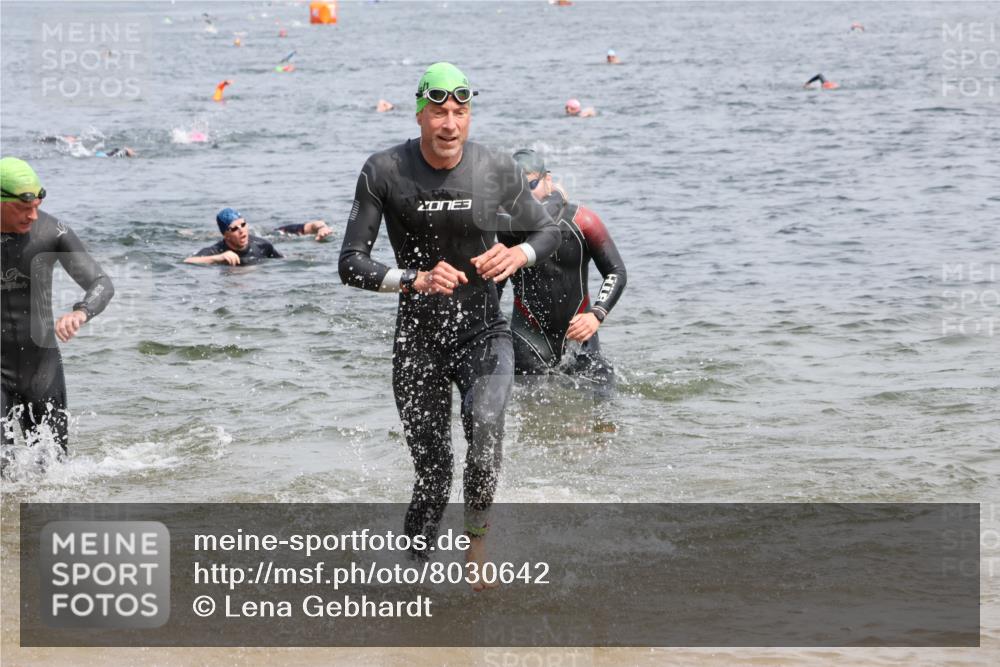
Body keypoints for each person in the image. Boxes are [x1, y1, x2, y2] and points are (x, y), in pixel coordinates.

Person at [338, 62, 560, 586]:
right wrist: (413, 278)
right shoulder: (384, 170)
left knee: (484, 431)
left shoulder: (496, 168)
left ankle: (476, 553)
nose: (450, 123)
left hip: (485, 331)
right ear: (420, 114)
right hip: (419, 340)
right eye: (439, 112)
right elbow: (350, 263)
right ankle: (412, 573)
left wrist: (519, 255)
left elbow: (546, 230)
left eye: (460, 112)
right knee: (434, 472)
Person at [1, 157, 115, 464]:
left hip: (42, 368)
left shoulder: (51, 232)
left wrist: (81, 312)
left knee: (55, 473)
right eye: (24, 208)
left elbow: (101, 282)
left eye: (37, 206)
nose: (33, 215)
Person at [505, 149, 626, 390]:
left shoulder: (583, 221)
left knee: (603, 409)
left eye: (531, 185)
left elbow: (616, 272)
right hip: (528, 338)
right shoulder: (505, 227)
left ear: (547, 179)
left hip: (579, 334)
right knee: (532, 418)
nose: (524, 197)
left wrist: (597, 314)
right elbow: (491, 288)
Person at [184, 208, 283, 266]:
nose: (241, 230)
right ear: (226, 235)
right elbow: (187, 261)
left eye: (243, 224)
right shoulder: (218, 251)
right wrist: (218, 258)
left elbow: (284, 262)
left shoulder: (263, 245)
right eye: (234, 228)